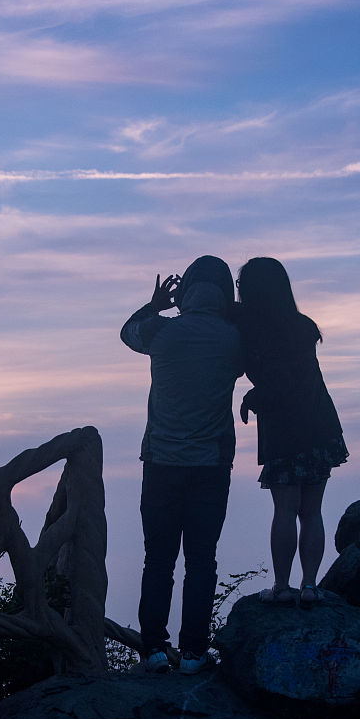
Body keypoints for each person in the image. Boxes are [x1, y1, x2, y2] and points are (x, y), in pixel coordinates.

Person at [120, 255, 243, 675]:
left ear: (185, 290)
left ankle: (154, 651)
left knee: (158, 559)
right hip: (211, 465)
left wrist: (156, 304)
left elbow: (126, 332)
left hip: (161, 463)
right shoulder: (234, 338)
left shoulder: (162, 332)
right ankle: (193, 654)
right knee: (202, 560)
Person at [236, 257, 347, 609]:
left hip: (283, 429)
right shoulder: (301, 327)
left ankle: (282, 586)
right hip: (318, 424)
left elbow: (281, 381)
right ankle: (310, 585)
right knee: (312, 510)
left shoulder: (250, 330)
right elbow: (297, 377)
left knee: (284, 509)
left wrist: (255, 396)